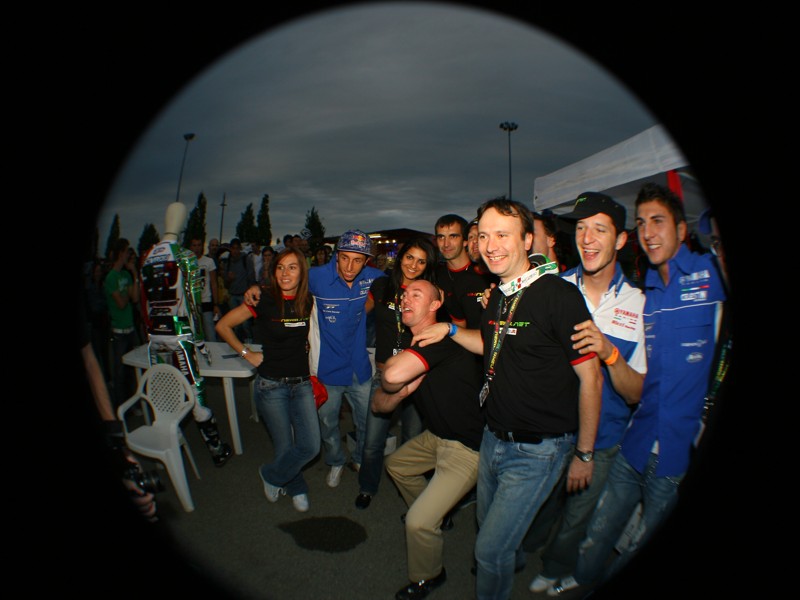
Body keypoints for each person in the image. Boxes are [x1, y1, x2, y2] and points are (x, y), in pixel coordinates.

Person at [412, 197, 603, 600]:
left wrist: (585, 454)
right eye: (483, 236)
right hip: (493, 437)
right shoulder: (500, 294)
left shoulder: (559, 295)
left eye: (502, 235)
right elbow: (490, 344)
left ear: (527, 240)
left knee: (488, 549)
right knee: (491, 533)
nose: (490, 245)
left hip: (539, 449)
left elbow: (591, 378)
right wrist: (449, 331)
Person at [551, 183, 726, 596]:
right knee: (594, 526)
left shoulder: (699, 281)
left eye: (658, 221)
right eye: (643, 222)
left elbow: (638, 386)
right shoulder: (648, 292)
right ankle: (577, 574)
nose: (649, 232)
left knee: (631, 538)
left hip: (667, 445)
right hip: (627, 437)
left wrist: (609, 352)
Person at [524, 192, 647, 595]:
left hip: (604, 438)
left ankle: (555, 566)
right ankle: (524, 547)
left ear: (621, 239)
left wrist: (609, 353)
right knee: (541, 503)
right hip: (550, 431)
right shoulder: (554, 288)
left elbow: (635, 393)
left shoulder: (638, 305)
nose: (587, 239)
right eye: (580, 228)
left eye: (599, 229)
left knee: (577, 514)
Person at [245, 229, 386, 487]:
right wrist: (257, 287)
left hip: (360, 368)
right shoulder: (317, 276)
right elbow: (285, 281)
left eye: (357, 260)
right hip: (327, 369)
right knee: (327, 425)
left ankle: (358, 458)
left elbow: (400, 283)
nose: (350, 266)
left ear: (366, 261)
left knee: (367, 423)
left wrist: (371, 304)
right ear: (336, 255)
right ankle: (335, 461)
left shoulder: (373, 277)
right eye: (345, 258)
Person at [375, 279, 484, 600]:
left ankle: (429, 576)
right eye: (404, 295)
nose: (406, 299)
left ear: (436, 305)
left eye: (416, 294)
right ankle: (439, 514)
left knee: (417, 522)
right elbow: (378, 405)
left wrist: (394, 383)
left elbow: (390, 376)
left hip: (467, 448)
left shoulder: (440, 341)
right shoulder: (413, 345)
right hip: (437, 435)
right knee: (396, 465)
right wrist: (400, 393)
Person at [216, 247, 319, 513]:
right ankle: (296, 486)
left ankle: (270, 475)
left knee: (310, 445)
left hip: (302, 383)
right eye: (280, 267)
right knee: (284, 446)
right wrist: (246, 354)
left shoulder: (307, 300)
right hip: (271, 385)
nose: (285, 273)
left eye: (292, 267)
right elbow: (223, 326)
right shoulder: (263, 298)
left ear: (302, 272)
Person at [140, 202, 233, 467]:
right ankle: (216, 449)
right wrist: (200, 340)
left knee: (163, 394)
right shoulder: (184, 256)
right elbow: (193, 303)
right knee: (196, 392)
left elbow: (144, 302)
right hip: (180, 334)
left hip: (155, 335)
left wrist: (149, 330)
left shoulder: (147, 256)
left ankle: (164, 448)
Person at [354, 237, 436, 510]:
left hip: (416, 378)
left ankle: (409, 490)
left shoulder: (431, 292)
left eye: (421, 261)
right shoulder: (381, 286)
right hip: (383, 375)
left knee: (412, 440)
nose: (413, 265)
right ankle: (367, 487)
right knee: (372, 441)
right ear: (400, 258)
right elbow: (356, 311)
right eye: (410, 257)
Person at [104, 238, 141, 408]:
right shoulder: (111, 277)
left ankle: (134, 404)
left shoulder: (126, 275)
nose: (128, 255)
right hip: (118, 332)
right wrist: (126, 292)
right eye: (126, 251)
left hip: (131, 329)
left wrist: (134, 275)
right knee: (119, 372)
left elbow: (135, 298)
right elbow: (120, 303)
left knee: (133, 370)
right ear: (121, 253)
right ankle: (121, 407)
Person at [221, 238, 253, 343]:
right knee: (235, 323)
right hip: (233, 295)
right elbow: (225, 283)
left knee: (245, 323)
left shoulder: (246, 259)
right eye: (233, 248)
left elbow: (251, 276)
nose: (235, 251)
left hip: (244, 295)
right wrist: (228, 279)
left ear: (240, 248)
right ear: (230, 249)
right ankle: (237, 342)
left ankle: (249, 341)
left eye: (237, 248)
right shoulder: (228, 262)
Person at [189, 236, 221, 343]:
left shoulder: (209, 261)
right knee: (195, 334)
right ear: (191, 247)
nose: (197, 248)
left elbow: (214, 283)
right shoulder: (187, 263)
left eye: (199, 245)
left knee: (210, 333)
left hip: (206, 300)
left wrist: (216, 304)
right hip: (192, 302)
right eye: (194, 245)